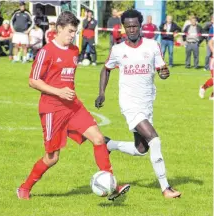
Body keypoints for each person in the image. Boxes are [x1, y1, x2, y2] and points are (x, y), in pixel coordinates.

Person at [17, 11, 130, 201]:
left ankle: (112, 186)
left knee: (98, 139)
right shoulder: (46, 52)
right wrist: (58, 91)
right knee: (52, 158)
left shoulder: (74, 51)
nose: (72, 35)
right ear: (59, 29)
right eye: (70, 31)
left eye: (74, 32)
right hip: (52, 109)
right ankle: (24, 188)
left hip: (73, 107)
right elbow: (33, 81)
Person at [95, 9, 181, 199]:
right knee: (155, 140)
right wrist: (102, 93)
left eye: (135, 26)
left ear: (140, 26)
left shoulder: (152, 46)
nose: (132, 29)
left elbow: (162, 70)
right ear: (124, 27)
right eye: (128, 26)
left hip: (147, 102)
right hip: (129, 103)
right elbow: (106, 69)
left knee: (141, 150)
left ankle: (109, 145)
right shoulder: (118, 49)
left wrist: (164, 74)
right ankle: (166, 188)